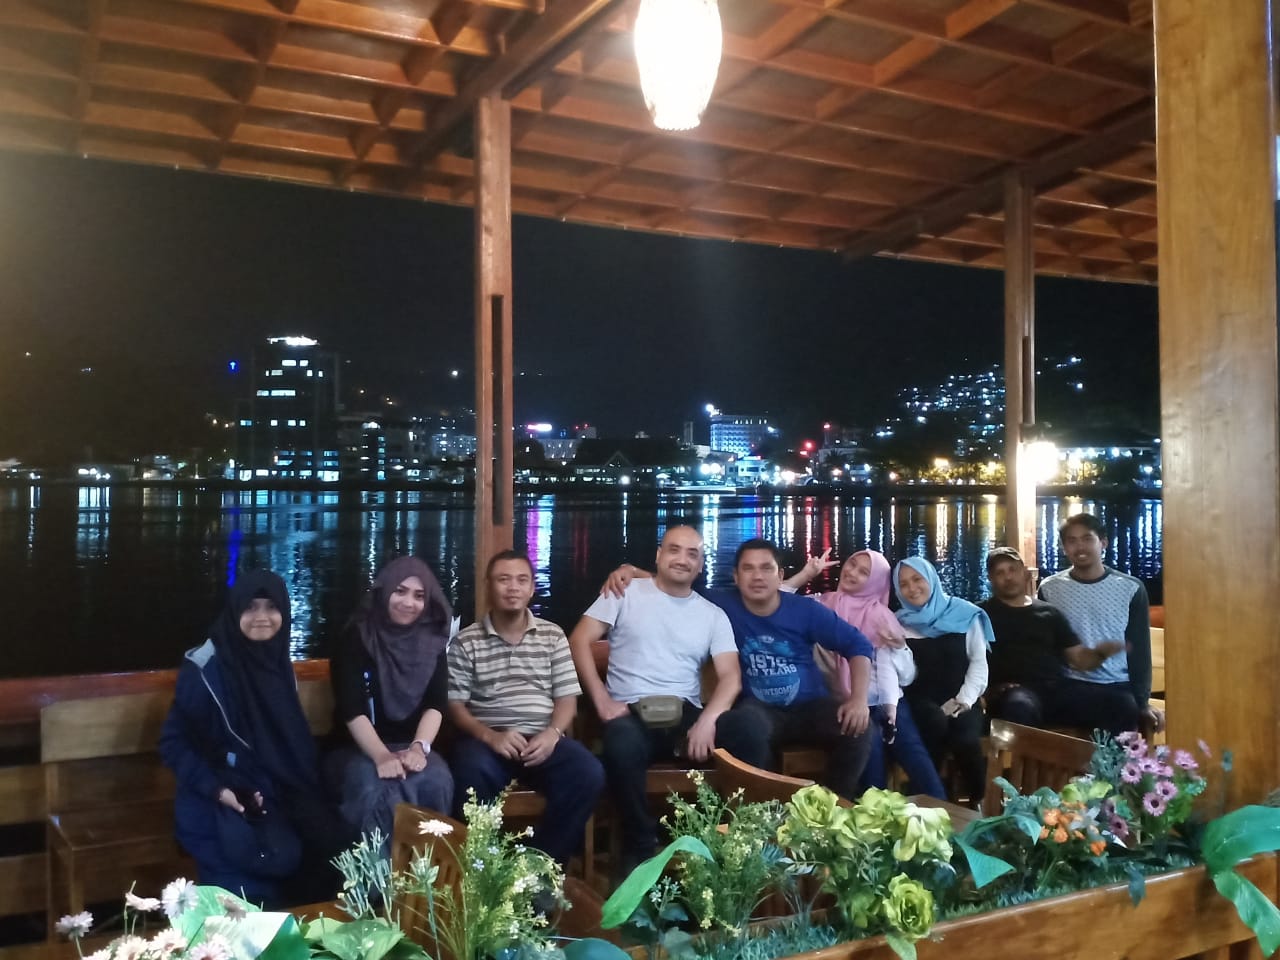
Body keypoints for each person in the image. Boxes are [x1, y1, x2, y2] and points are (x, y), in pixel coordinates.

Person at [605, 538, 876, 802]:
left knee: (860, 730)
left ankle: (832, 808)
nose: (757, 576)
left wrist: (858, 699)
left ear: (780, 575)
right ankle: (764, 814)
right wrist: (632, 571)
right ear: (735, 577)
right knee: (746, 727)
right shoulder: (723, 605)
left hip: (809, 707)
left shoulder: (805, 610)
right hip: (759, 708)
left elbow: (859, 646)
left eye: (766, 568)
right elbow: (674, 584)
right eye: (748, 568)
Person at [159, 570, 353, 905]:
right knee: (265, 872)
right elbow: (173, 743)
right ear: (235, 611)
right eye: (250, 607)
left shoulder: (277, 662)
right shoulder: (207, 669)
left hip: (279, 785)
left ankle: (314, 931)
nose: (261, 617)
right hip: (223, 793)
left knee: (333, 849)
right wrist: (219, 789)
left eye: (271, 607)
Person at [569, 525, 740, 874]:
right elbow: (579, 640)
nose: (682, 559)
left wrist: (708, 721)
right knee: (621, 742)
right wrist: (600, 699)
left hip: (686, 717)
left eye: (692, 554)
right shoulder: (624, 592)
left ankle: (733, 839)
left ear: (701, 564)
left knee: (748, 728)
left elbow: (731, 677)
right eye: (674, 550)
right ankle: (640, 843)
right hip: (632, 712)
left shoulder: (712, 614)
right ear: (659, 555)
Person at [448, 550, 604, 865]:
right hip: (489, 742)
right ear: (488, 587)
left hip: (542, 739)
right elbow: (455, 706)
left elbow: (567, 700)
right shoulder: (466, 641)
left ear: (532, 588)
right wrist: (490, 736)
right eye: (503, 580)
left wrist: (553, 733)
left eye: (521, 580)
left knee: (589, 773)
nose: (513, 587)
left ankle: (539, 865)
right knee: (469, 771)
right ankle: (486, 868)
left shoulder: (552, 635)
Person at [785, 548, 945, 799]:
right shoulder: (822, 605)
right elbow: (779, 598)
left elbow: (906, 677)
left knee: (915, 756)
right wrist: (806, 574)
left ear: (876, 581)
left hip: (888, 702)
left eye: (864, 572)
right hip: (846, 703)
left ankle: (944, 813)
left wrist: (900, 648)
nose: (852, 573)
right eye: (852, 564)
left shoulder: (881, 615)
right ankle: (876, 820)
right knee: (871, 769)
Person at [328, 557, 455, 845]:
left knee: (436, 779)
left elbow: (436, 704)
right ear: (384, 591)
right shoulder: (357, 637)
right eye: (400, 591)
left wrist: (419, 748)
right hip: (356, 749)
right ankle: (375, 873)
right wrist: (381, 755)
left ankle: (426, 870)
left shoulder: (432, 641)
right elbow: (352, 707)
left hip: (411, 745)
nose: (408, 602)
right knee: (379, 786)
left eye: (419, 596)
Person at [980, 545, 1133, 732]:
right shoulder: (980, 614)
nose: (1008, 577)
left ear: (1024, 572)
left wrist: (1100, 653)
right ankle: (1030, 752)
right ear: (991, 578)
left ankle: (1105, 752)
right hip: (1013, 692)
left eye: (1012, 570)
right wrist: (986, 691)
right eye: (1000, 572)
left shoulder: (1049, 613)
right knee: (1019, 706)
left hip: (1055, 690)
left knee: (1122, 703)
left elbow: (1078, 658)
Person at [1036, 513, 1156, 734]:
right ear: (1064, 548)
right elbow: (1045, 646)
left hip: (1115, 685)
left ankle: (1108, 759)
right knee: (1030, 707)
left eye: (1087, 539)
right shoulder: (1050, 588)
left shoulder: (1130, 588)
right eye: (1072, 541)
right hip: (1068, 684)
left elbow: (1139, 650)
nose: (1080, 547)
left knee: (1124, 708)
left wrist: (1143, 702)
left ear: (1103, 543)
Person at [893, 556, 992, 805]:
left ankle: (980, 802)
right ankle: (931, 802)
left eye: (917, 579)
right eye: (903, 584)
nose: (912, 588)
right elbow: (903, 675)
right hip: (919, 700)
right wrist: (898, 647)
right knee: (933, 722)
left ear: (931, 579)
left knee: (965, 739)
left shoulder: (965, 613)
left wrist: (965, 699)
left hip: (962, 698)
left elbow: (978, 662)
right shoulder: (897, 622)